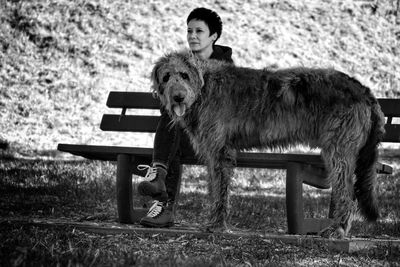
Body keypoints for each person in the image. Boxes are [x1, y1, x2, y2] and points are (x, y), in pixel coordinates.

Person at [137, 7, 233, 228]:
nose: (192, 36)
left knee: (174, 129)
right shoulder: (178, 63)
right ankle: (161, 192)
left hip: (216, 142)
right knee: (174, 128)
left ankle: (159, 180)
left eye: (199, 31)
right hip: (184, 141)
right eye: (189, 30)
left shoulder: (226, 67)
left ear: (214, 36)